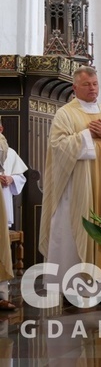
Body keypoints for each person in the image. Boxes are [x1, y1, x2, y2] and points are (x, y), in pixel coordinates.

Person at [39, 66, 101, 293]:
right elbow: (58, 146)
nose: (92, 88)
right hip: (78, 187)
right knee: (75, 228)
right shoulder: (65, 113)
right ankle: (73, 285)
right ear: (75, 88)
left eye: (95, 84)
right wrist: (87, 135)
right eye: (86, 84)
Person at [0, 119, 27, 311]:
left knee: (2, 252)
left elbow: (21, 177)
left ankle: (1, 295)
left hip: (3, 207)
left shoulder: (9, 152)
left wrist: (11, 178)